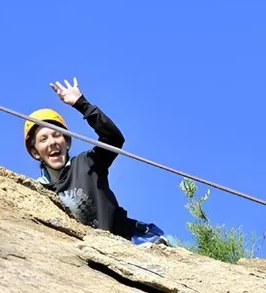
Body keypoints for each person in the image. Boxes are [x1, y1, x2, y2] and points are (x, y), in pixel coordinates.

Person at [24, 77, 167, 245]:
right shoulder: (38, 191)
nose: (52, 142)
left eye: (57, 135)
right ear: (35, 152)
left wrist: (81, 103)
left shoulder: (88, 163)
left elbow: (113, 138)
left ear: (67, 142)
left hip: (129, 240)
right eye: (43, 139)